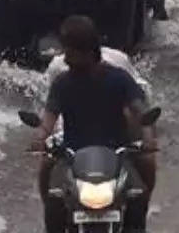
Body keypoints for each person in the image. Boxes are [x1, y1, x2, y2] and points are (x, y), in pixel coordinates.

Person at [29, 16, 157, 233]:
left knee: (140, 189)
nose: (66, 57)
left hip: (117, 153)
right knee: (49, 182)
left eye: (71, 51)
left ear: (88, 51)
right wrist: (40, 138)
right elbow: (48, 120)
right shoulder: (62, 84)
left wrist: (147, 136)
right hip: (72, 155)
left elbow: (140, 109)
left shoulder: (119, 79)